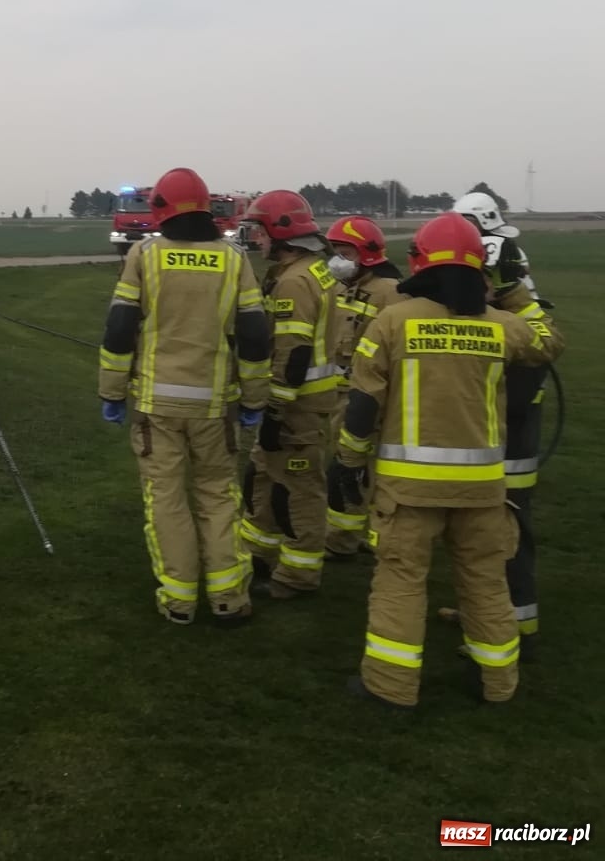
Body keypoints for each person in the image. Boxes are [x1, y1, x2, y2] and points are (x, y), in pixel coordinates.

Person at [334, 214, 562, 708]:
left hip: (407, 491)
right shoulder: (502, 327)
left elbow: (363, 404)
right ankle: (498, 683)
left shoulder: (393, 321)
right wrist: (516, 292)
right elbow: (548, 341)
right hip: (481, 489)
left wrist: (347, 461)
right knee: (485, 582)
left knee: (400, 582)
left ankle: (390, 688)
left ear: (419, 262)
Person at [98, 168, 271, 626]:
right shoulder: (235, 260)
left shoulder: (144, 255)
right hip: (215, 405)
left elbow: (119, 329)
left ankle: (178, 600)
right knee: (218, 496)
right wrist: (254, 399)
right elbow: (255, 337)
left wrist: (112, 391)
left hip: (157, 405)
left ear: (160, 209)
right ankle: (228, 598)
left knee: (166, 498)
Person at [446, 190, 551, 657]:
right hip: (492, 413)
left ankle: (513, 623)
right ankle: (483, 611)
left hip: (512, 416)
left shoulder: (506, 263)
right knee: (481, 526)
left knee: (505, 523)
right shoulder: (496, 254)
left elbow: (533, 340)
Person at [236, 190, 346, 599]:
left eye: (260, 232)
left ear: (281, 233)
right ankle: (259, 554)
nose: (257, 241)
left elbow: (293, 352)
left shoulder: (295, 282)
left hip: (297, 408)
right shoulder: (312, 271)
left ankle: (298, 575)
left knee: (299, 490)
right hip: (299, 403)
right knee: (264, 477)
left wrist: (276, 408)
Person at [322, 215, 408, 561]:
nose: (337, 260)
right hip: (341, 394)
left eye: (344, 251)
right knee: (344, 468)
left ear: (365, 254)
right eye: (336, 251)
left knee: (363, 469)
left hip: (368, 397)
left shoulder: (391, 293)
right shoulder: (347, 287)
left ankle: (367, 539)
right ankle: (343, 537)